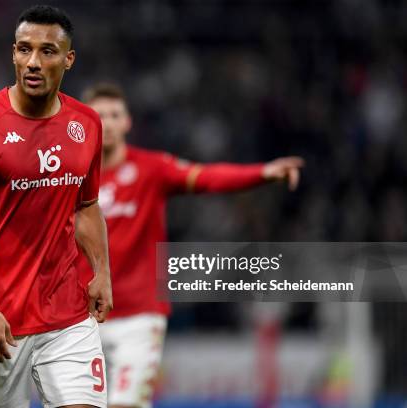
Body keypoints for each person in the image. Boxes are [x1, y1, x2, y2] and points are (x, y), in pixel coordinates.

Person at [76, 83, 304, 408]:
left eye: (115, 115)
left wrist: (262, 173)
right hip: (81, 319)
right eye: (100, 116)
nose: (108, 122)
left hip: (139, 318)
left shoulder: (151, 169)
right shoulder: (69, 176)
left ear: (128, 122)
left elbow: (208, 176)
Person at [0, 6, 113, 408]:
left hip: (67, 314)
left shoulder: (86, 124)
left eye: (47, 51)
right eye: (23, 50)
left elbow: (86, 206)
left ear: (68, 59)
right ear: (12, 53)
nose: (33, 62)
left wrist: (101, 271)